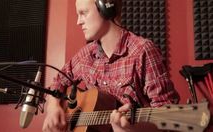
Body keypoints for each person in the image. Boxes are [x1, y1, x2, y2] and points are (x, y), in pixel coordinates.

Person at [42, 0, 180, 132]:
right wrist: (53, 107)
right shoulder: (85, 55)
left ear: (105, 8)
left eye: (83, 13)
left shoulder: (142, 51)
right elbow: (58, 82)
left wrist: (132, 129)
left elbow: (168, 116)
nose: (78, 22)